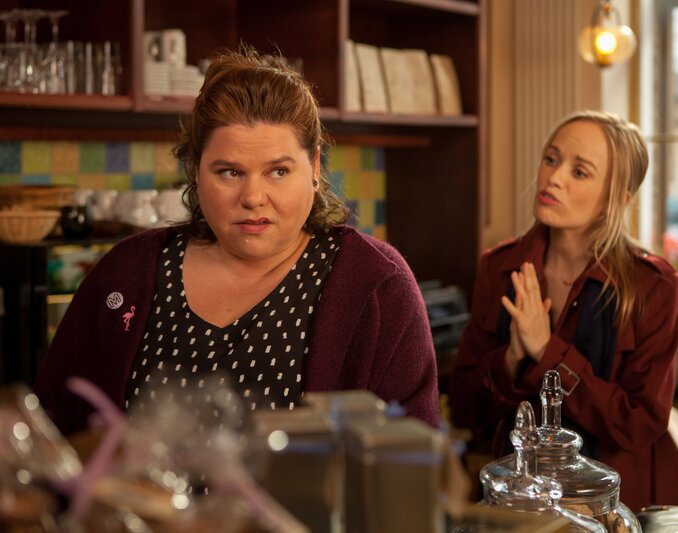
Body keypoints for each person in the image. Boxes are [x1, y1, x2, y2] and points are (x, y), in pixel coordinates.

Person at [34, 45, 440, 436]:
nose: (253, 197)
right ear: (195, 171)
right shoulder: (127, 271)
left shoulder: (377, 284)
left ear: (315, 167)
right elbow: (52, 430)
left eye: (278, 172)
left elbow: (412, 458)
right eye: (229, 172)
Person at [448, 110, 678, 510]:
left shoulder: (654, 287)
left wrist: (547, 351)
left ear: (617, 198)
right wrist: (512, 358)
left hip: (619, 510)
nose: (553, 177)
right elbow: (465, 409)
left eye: (580, 172)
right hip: (521, 507)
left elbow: (638, 425)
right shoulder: (498, 267)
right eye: (551, 159)